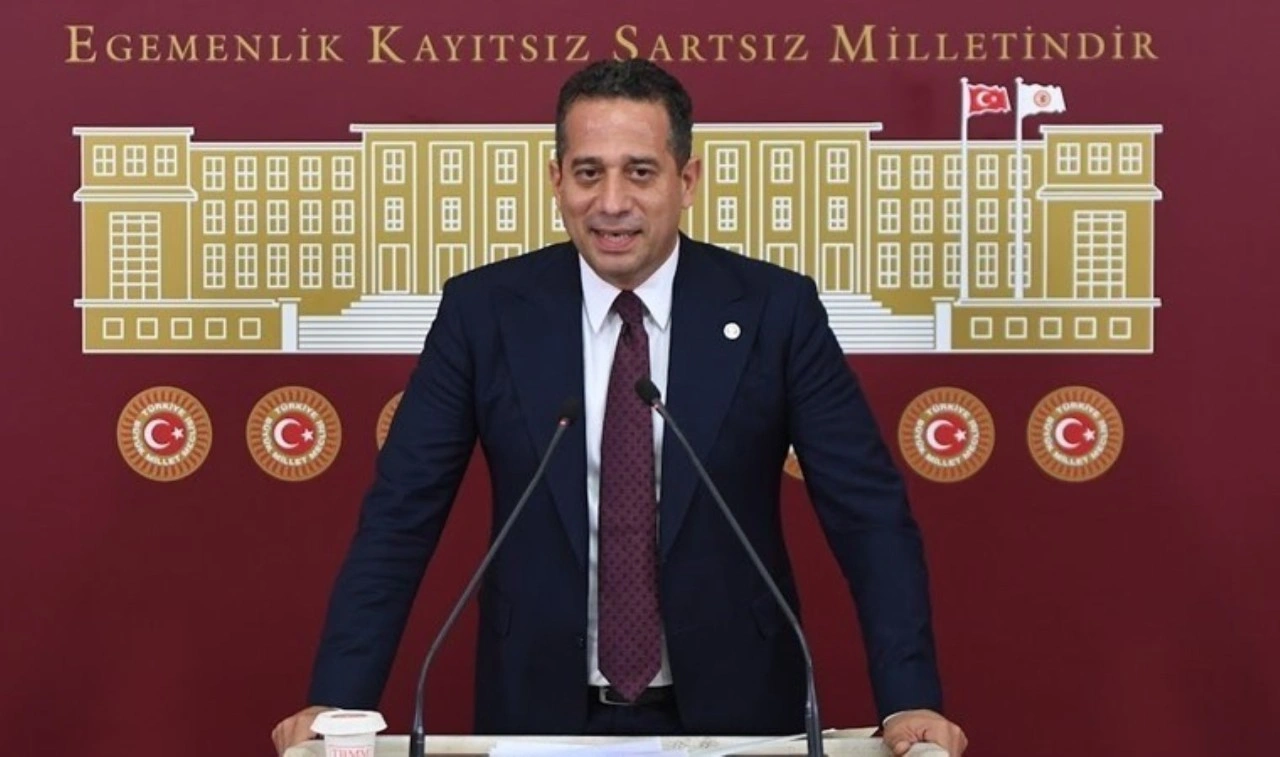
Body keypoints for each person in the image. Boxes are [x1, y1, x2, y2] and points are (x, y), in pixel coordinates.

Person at [272, 58, 967, 756]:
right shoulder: (484, 312)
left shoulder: (775, 311)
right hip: (536, 711)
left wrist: (909, 697)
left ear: (685, 181)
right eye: (588, 172)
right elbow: (401, 513)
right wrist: (340, 699)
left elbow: (867, 514)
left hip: (739, 712)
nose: (611, 202)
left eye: (639, 172)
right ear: (556, 180)